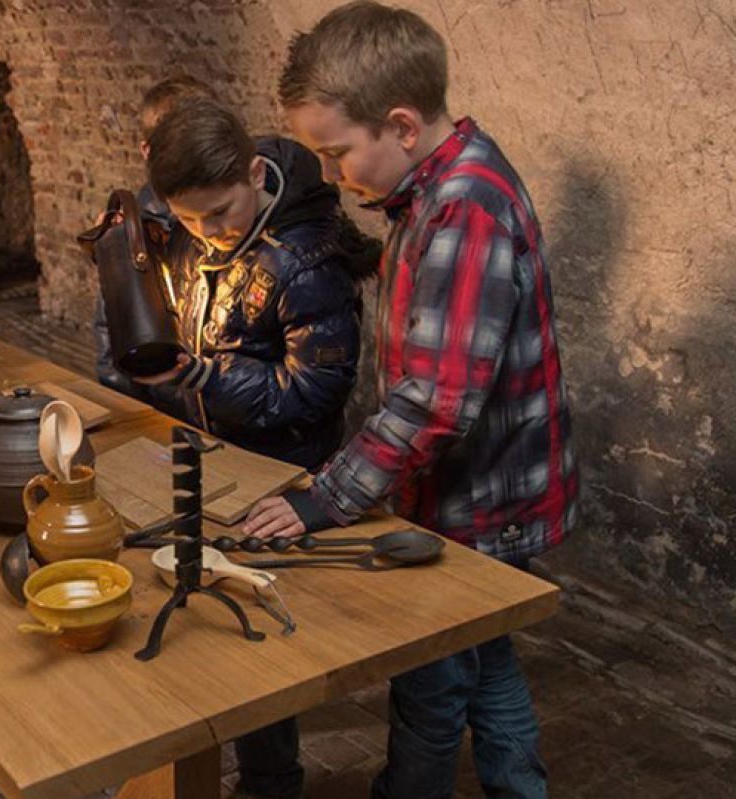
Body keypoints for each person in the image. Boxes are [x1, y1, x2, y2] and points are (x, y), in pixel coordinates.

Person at [244, 4, 581, 797]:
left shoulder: (463, 203)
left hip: (480, 495)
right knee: (486, 659)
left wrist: (325, 498)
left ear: (399, 124)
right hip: (469, 487)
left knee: (430, 683)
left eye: (336, 152)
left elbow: (435, 399)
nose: (331, 174)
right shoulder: (432, 188)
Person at [129, 96, 374, 799]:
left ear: (255, 173)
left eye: (220, 212)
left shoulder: (304, 263)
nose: (205, 232)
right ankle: (198, 738)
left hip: (280, 468)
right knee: (197, 604)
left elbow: (313, 392)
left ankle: (271, 780)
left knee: (256, 635)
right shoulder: (194, 227)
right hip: (211, 448)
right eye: (187, 218)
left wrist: (200, 373)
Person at [92, 74, 218, 399]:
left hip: (220, 408)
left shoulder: (224, 216)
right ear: (147, 151)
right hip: (164, 407)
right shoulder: (136, 230)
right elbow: (112, 329)